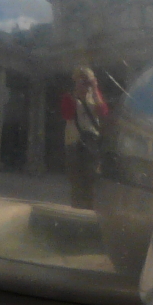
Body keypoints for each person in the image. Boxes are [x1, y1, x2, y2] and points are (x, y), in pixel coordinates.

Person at [61, 67, 109, 208]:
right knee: (75, 174)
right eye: (81, 80)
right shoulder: (69, 97)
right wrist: (77, 96)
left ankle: (90, 205)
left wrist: (95, 90)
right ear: (75, 81)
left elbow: (103, 112)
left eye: (86, 80)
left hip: (91, 141)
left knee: (92, 175)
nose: (84, 84)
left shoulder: (94, 96)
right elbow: (67, 115)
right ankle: (77, 204)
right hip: (74, 140)